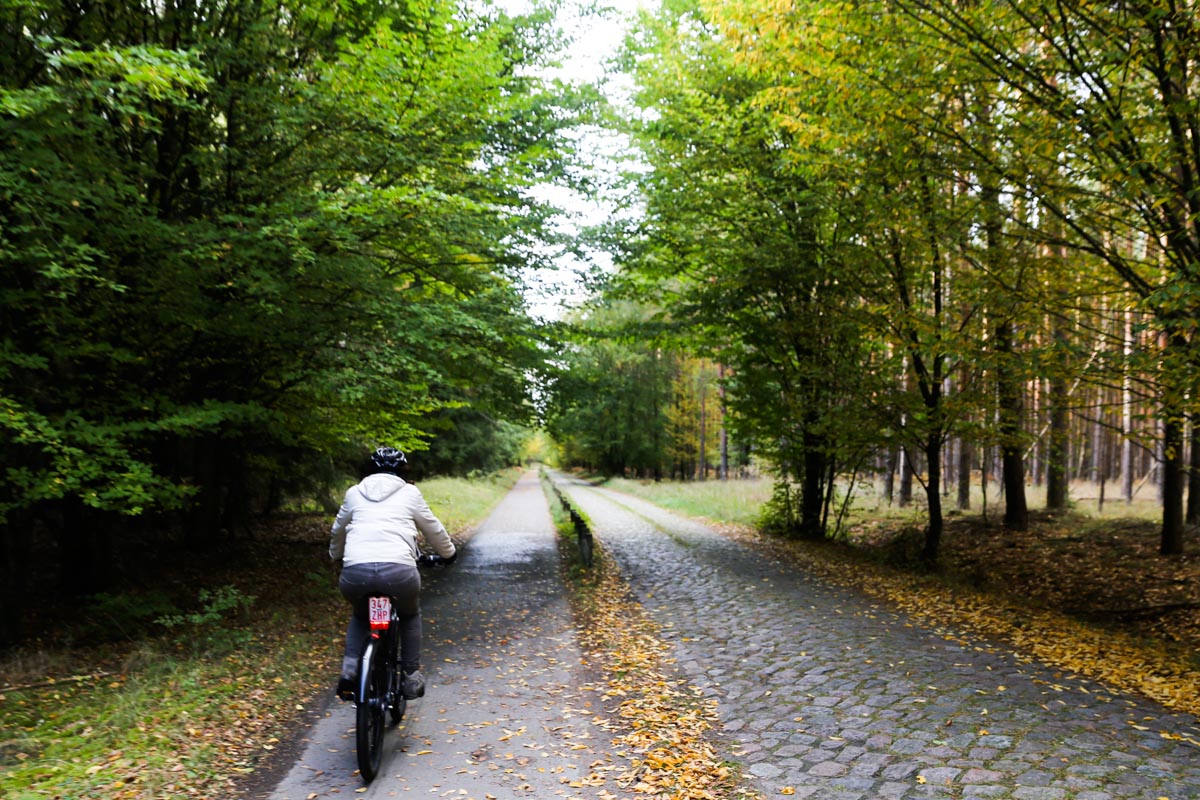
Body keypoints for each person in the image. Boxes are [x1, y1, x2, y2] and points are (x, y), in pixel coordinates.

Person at [329, 446, 456, 701]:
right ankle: (410, 675)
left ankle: (350, 671)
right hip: (399, 574)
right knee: (409, 615)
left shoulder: (354, 493)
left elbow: (338, 531)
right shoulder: (410, 493)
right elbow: (433, 528)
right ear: (402, 472)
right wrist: (448, 554)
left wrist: (336, 555)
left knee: (360, 616)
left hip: (357, 573)